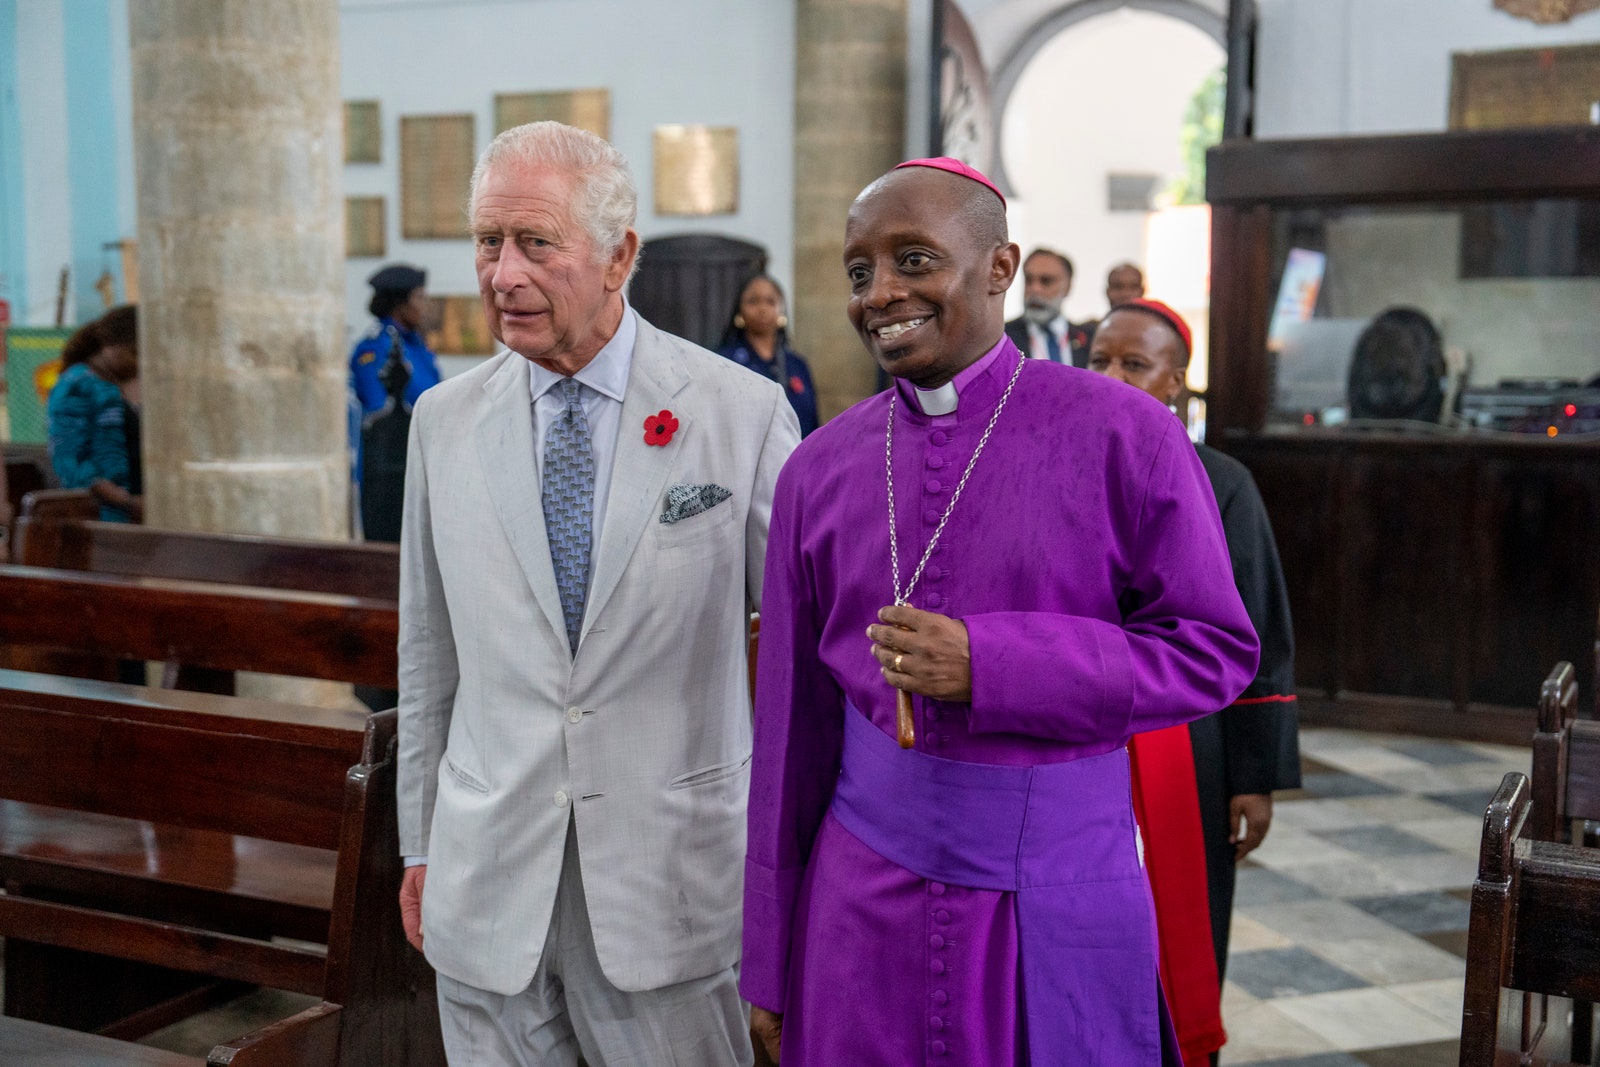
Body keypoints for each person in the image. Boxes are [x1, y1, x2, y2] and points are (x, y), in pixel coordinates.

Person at [742, 157, 1258, 1066]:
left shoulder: (1127, 434)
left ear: (999, 267)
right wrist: (769, 961)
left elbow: (1212, 649)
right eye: (861, 272)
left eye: (913, 259)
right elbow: (790, 743)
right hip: (860, 903)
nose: (881, 293)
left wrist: (995, 664)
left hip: (1059, 895)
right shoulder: (817, 471)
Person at [396, 120, 800, 1067]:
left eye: (535, 242)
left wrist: (793, 865)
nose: (502, 273)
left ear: (620, 255)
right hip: (489, 873)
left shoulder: (736, 413)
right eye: (488, 242)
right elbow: (428, 652)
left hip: (671, 881)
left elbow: (802, 648)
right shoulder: (442, 422)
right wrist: (421, 844)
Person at [1088, 299, 1301, 1066]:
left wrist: (1255, 773)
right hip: (1080, 724)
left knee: (1184, 909)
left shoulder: (1224, 482)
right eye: (1099, 360)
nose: (1111, 376)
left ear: (1176, 382)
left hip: (1189, 736)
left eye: (1134, 364)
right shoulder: (1059, 464)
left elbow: (1259, 632)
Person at [46, 305, 142, 523]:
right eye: (134, 353)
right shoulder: (76, 386)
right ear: (111, 347)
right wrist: (126, 501)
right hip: (103, 517)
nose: (138, 364)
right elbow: (69, 461)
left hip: (131, 513)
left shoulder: (111, 384)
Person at [718, 273, 820, 437]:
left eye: (770, 301)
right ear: (739, 310)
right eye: (753, 301)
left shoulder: (797, 365)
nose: (762, 309)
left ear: (782, 309)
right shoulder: (724, 362)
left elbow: (814, 425)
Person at [349, 263, 441, 416]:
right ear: (401, 304)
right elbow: (379, 412)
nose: (425, 306)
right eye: (419, 298)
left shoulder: (415, 344)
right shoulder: (376, 348)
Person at [1002, 247, 1093, 367]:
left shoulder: (1089, 340)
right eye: (1029, 280)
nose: (1034, 289)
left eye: (1046, 281)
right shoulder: (1003, 338)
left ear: (1068, 287)